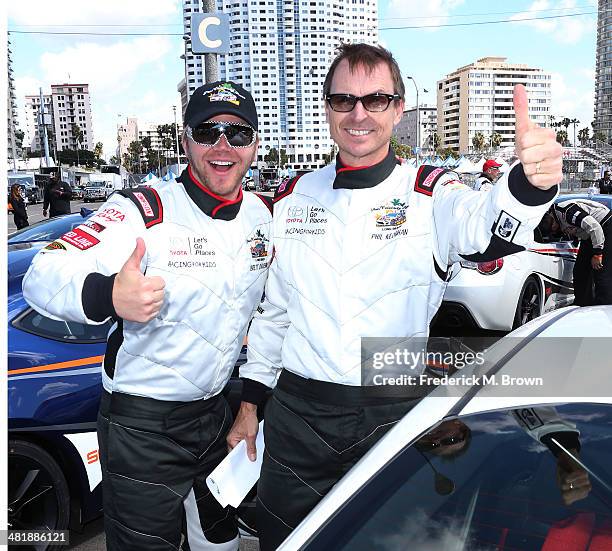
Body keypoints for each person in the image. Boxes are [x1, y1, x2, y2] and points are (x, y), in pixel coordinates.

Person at [227, 43, 563, 550]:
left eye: (376, 99)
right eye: (344, 100)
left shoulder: (430, 192)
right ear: (327, 109)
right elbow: (275, 314)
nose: (359, 113)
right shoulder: (292, 196)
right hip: (298, 414)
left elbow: (484, 228)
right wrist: (251, 402)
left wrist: (527, 185)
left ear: (398, 109)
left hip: (393, 406)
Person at [23, 81, 273, 551]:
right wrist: (108, 296)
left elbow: (272, 316)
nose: (223, 146)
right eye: (208, 130)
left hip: (216, 414)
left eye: (238, 134)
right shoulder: (142, 209)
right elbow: (43, 272)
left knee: (219, 542)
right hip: (141, 426)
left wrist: (249, 407)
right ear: (186, 140)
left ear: (255, 145)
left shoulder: (262, 217)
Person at [539, 198, 611, 305]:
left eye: (550, 225)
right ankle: (583, 305)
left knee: (601, 273)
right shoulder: (557, 218)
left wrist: (597, 254)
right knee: (580, 271)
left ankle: (604, 308)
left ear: (550, 215)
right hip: (590, 236)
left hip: (606, 227)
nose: (553, 229)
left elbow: (595, 227)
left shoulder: (567, 212)